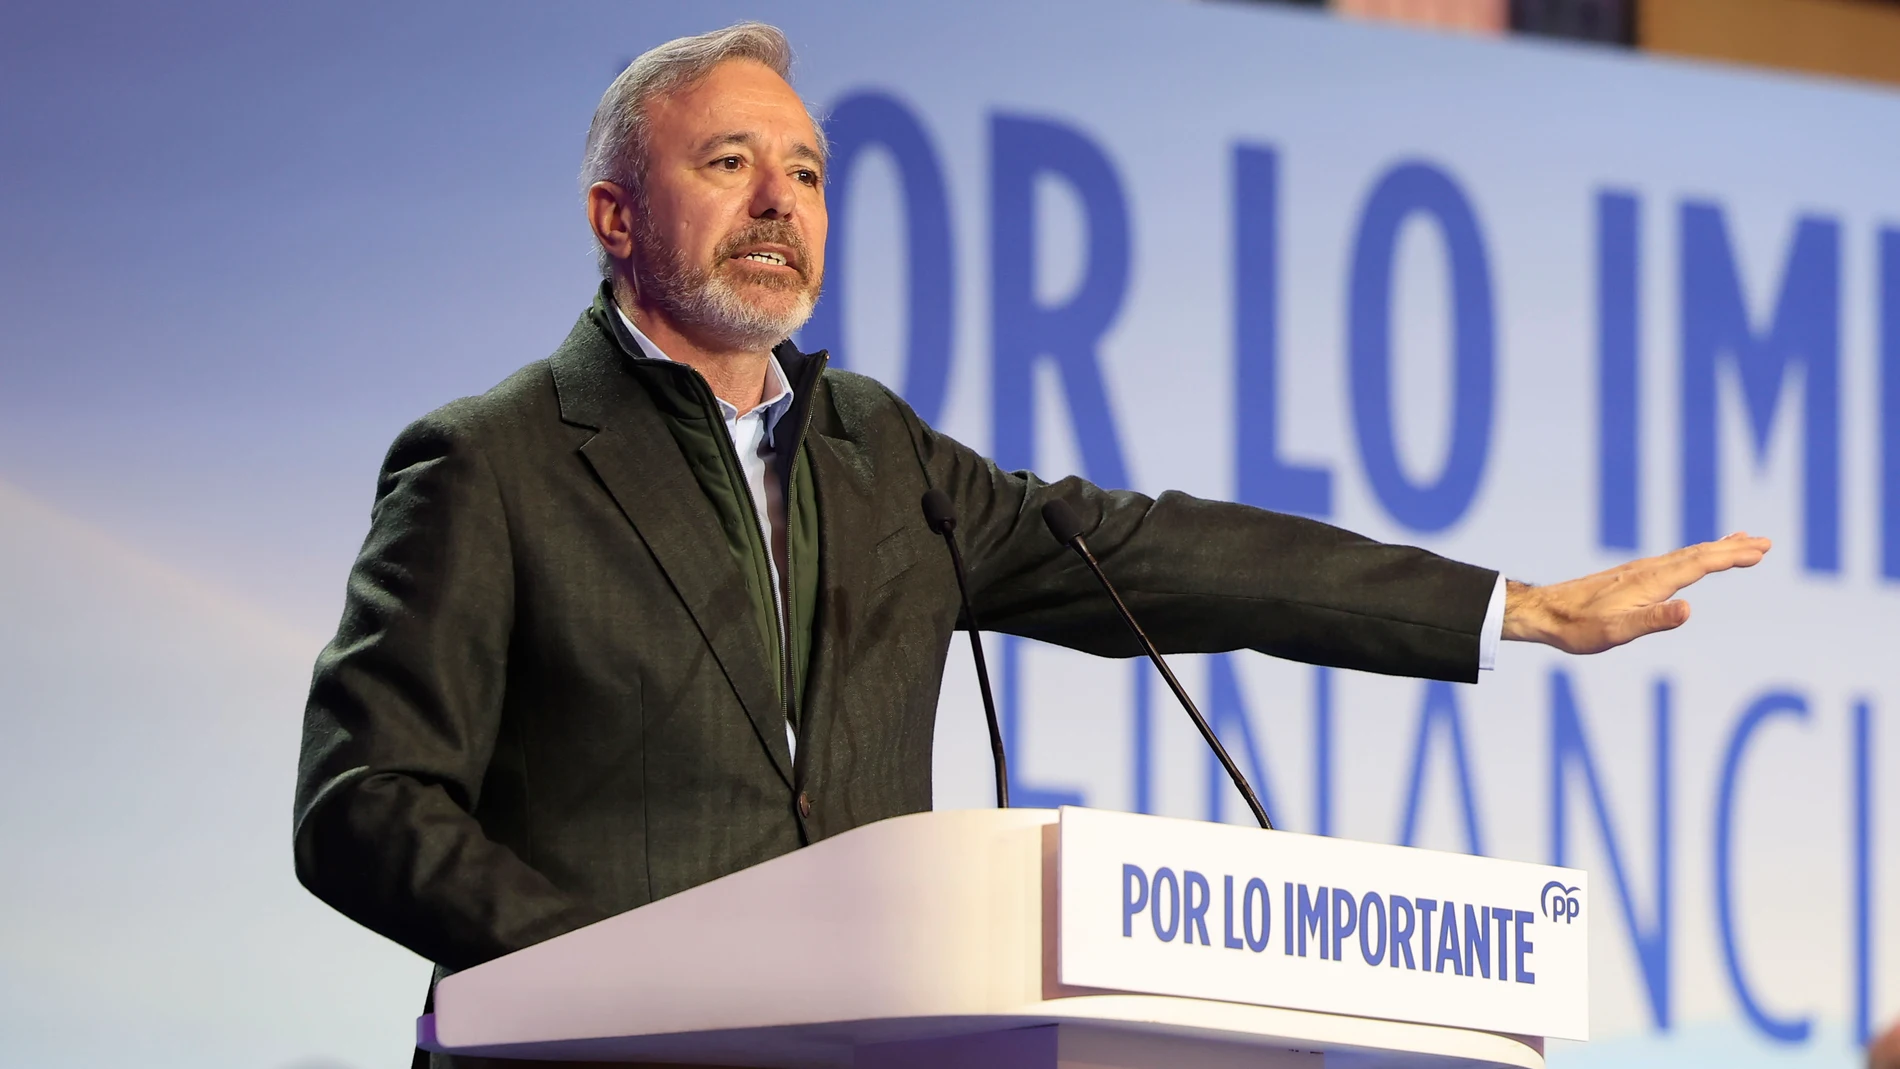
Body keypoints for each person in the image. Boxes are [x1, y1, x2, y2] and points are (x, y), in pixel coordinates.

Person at [291, 21, 1771, 1069]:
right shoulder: (489, 463)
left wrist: (1514, 607)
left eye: (805, 174)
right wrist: (609, 973)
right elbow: (363, 805)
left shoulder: (882, 457)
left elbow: (1166, 557)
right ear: (617, 215)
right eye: (729, 163)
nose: (778, 204)